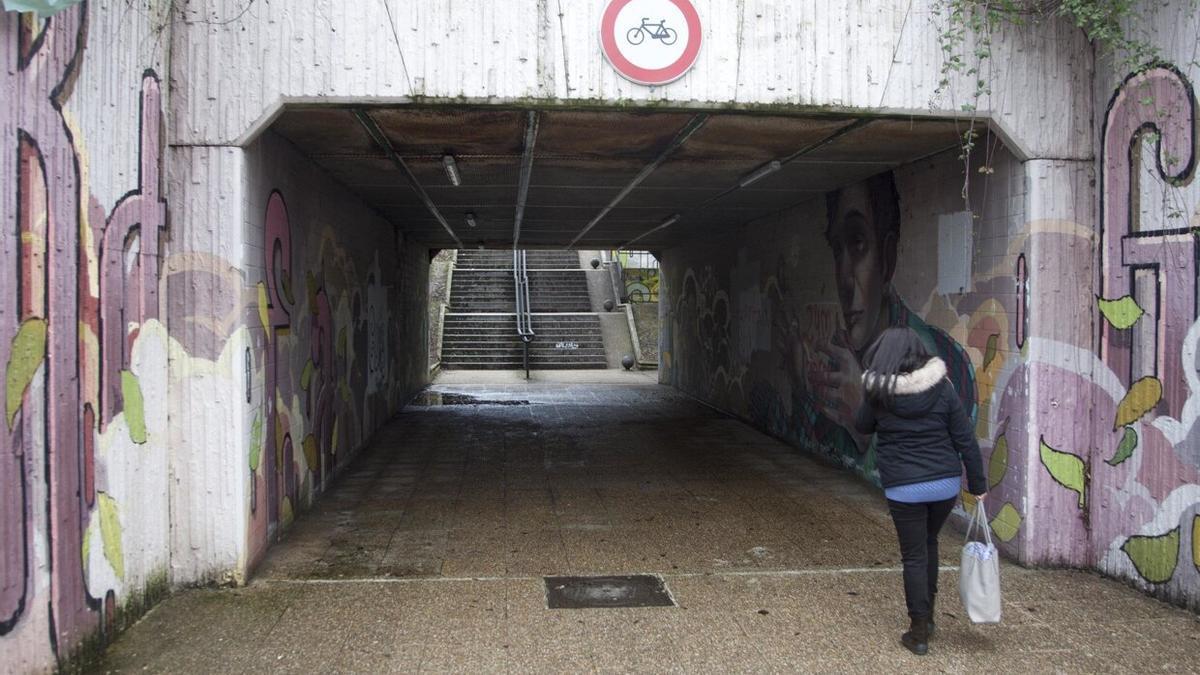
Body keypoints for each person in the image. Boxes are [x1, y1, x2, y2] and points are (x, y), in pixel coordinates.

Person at [853, 327, 987, 656]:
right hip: (944, 485)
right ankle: (928, 620)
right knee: (929, 543)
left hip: (904, 487)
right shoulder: (942, 388)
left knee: (914, 555)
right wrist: (979, 486)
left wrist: (873, 402)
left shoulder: (879, 392)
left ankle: (919, 630)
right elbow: (965, 439)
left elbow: (861, 425)